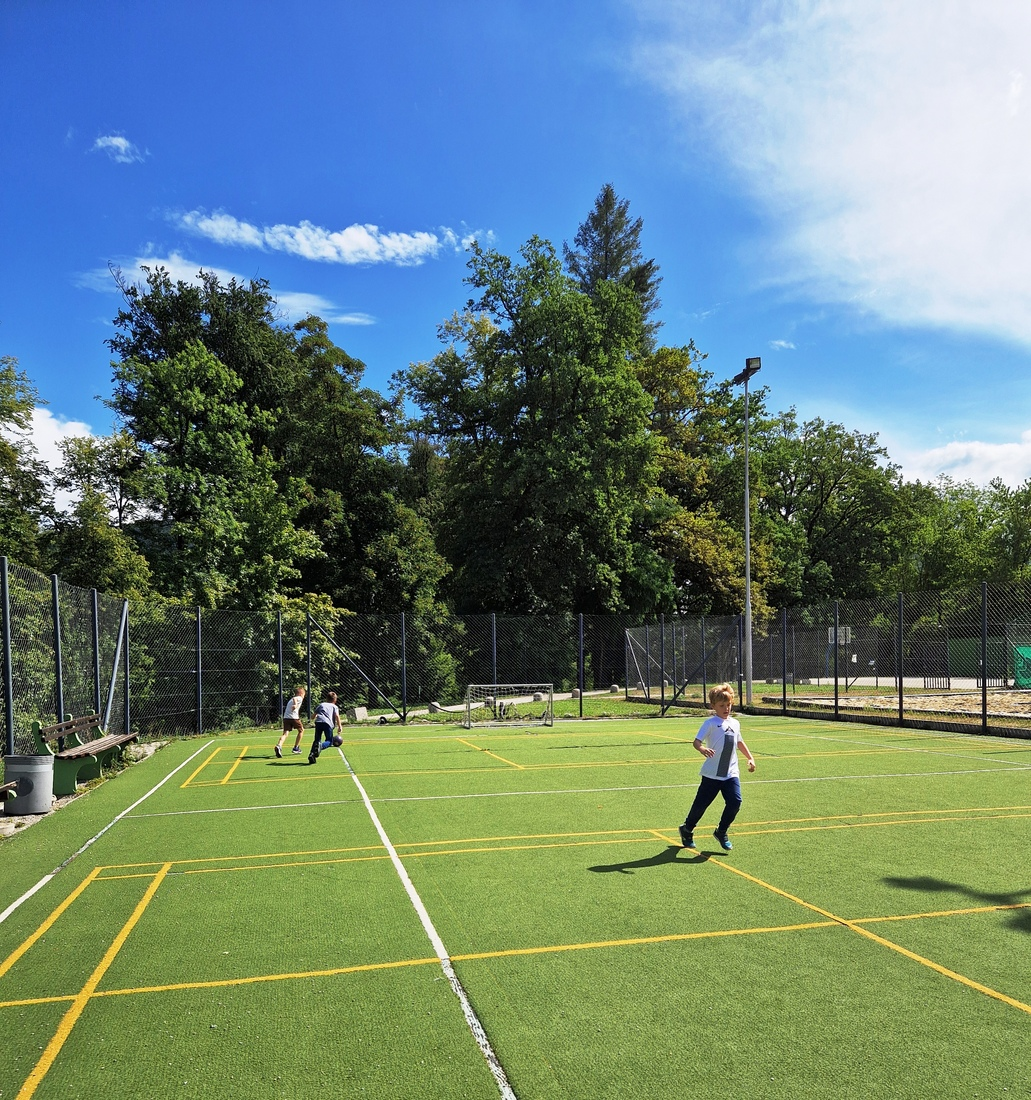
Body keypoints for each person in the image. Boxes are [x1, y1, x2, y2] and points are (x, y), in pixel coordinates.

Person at [678, 682, 755, 851]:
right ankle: (687, 829)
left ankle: (721, 831)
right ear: (713, 706)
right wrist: (703, 749)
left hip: (731, 773)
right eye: (722, 705)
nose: (726, 708)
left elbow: (739, 742)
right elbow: (696, 742)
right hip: (712, 774)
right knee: (701, 805)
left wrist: (750, 758)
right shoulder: (710, 723)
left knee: (735, 802)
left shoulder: (735, 723)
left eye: (729, 705)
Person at [308, 689, 343, 764]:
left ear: (326, 699)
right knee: (329, 741)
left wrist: (312, 718)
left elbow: (313, 716)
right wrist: (340, 726)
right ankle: (320, 747)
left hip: (318, 722)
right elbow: (337, 716)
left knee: (317, 740)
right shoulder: (334, 706)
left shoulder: (322, 704)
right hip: (327, 723)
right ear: (335, 700)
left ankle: (312, 754)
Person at [275, 686, 307, 757]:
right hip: (293, 717)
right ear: (301, 693)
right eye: (304, 695)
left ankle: (279, 745)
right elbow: (295, 698)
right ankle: (296, 747)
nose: (304, 696)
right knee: (301, 730)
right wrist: (295, 705)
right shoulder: (299, 698)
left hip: (286, 718)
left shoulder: (290, 700)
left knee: (285, 733)